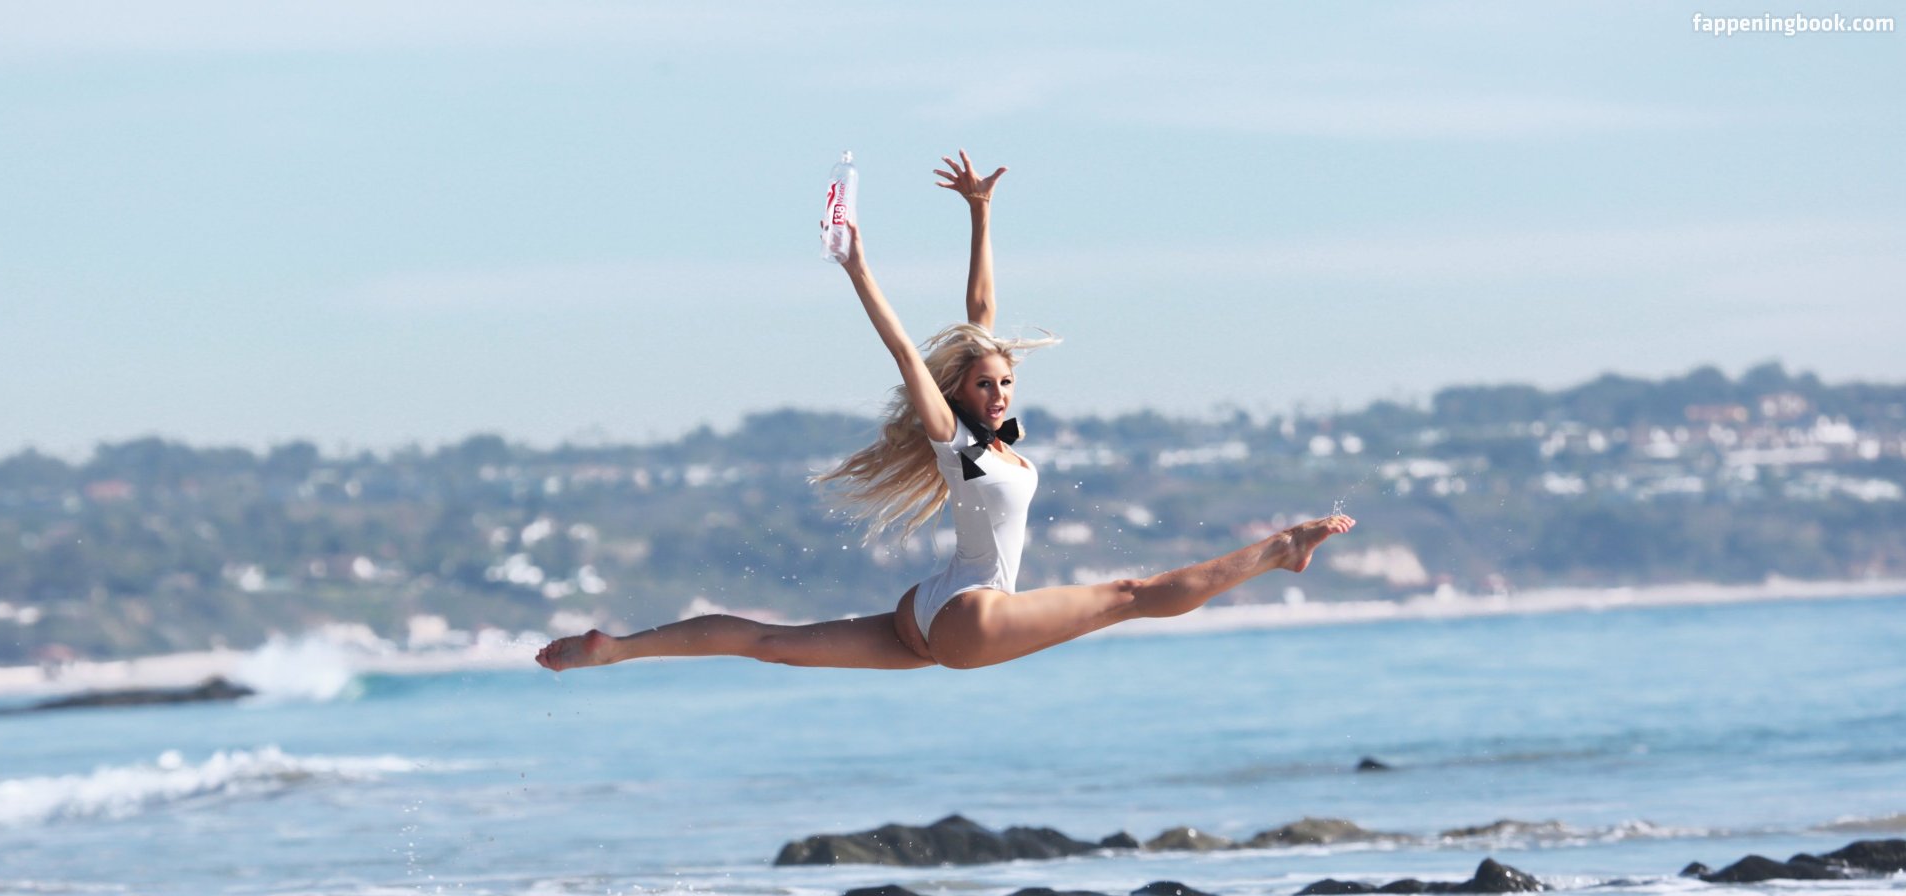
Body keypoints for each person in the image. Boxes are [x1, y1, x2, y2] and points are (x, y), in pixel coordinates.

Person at [536, 150, 1353, 675]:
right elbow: (905, 354)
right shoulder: (956, 444)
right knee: (1132, 593)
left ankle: (616, 649)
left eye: (1007, 383)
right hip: (969, 617)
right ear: (959, 393)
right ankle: (1280, 550)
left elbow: (980, 313)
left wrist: (980, 214)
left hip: (926, 610)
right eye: (986, 385)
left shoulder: (987, 439)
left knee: (770, 641)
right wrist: (857, 267)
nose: (1001, 393)